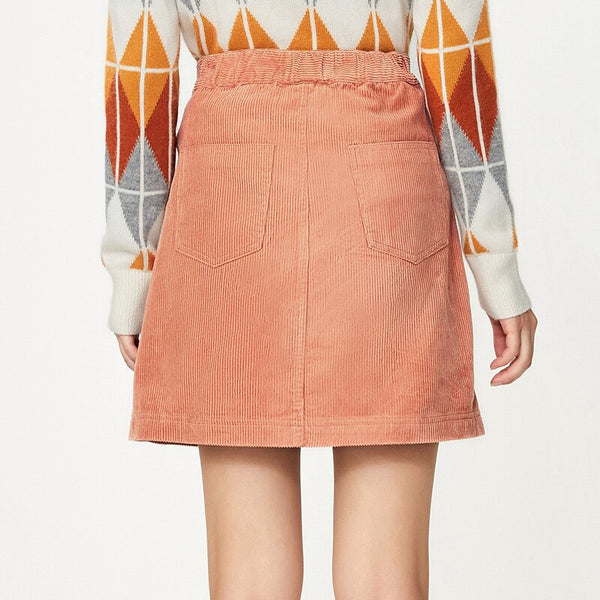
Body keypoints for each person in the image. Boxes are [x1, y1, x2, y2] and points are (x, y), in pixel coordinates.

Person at [101, 1, 538, 598]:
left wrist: (134, 266)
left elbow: (139, 76)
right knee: (385, 578)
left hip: (230, 181)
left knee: (249, 576)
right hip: (384, 176)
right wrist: (496, 267)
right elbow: (455, 58)